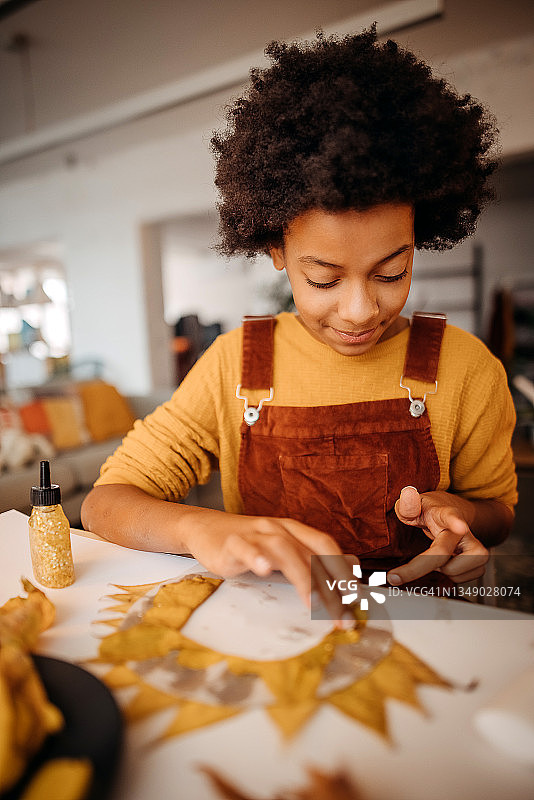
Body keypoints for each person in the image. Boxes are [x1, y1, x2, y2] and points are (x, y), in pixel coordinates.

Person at [81, 27, 517, 618]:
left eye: (391, 272)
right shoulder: (237, 364)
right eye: (324, 279)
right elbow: (104, 504)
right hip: (273, 631)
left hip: (420, 622)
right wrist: (198, 528)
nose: (360, 310)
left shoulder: (464, 367)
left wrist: (464, 514)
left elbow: (499, 510)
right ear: (277, 252)